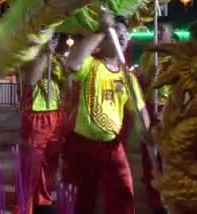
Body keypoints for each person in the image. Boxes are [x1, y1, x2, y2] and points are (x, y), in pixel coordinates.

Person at [62, 11, 149, 214]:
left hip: (112, 146)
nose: (122, 37)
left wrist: (145, 129)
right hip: (82, 144)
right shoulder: (91, 64)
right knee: (82, 200)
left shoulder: (128, 77)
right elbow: (72, 62)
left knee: (123, 196)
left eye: (125, 35)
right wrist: (103, 30)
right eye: (116, 32)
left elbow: (140, 109)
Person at [19, 34, 65, 214]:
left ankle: (44, 200)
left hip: (56, 115)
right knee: (33, 165)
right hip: (35, 116)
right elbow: (30, 79)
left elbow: (67, 84)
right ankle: (31, 205)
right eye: (50, 37)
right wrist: (45, 54)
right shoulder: (28, 55)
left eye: (56, 37)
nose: (53, 40)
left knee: (51, 164)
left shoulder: (58, 60)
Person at [137, 17, 174, 214]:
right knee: (150, 154)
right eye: (156, 30)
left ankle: (172, 198)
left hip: (171, 108)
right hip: (151, 107)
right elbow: (141, 82)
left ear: (171, 32)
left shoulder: (177, 55)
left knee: (170, 155)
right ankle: (155, 202)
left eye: (163, 29)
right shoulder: (147, 55)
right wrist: (149, 74)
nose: (158, 33)